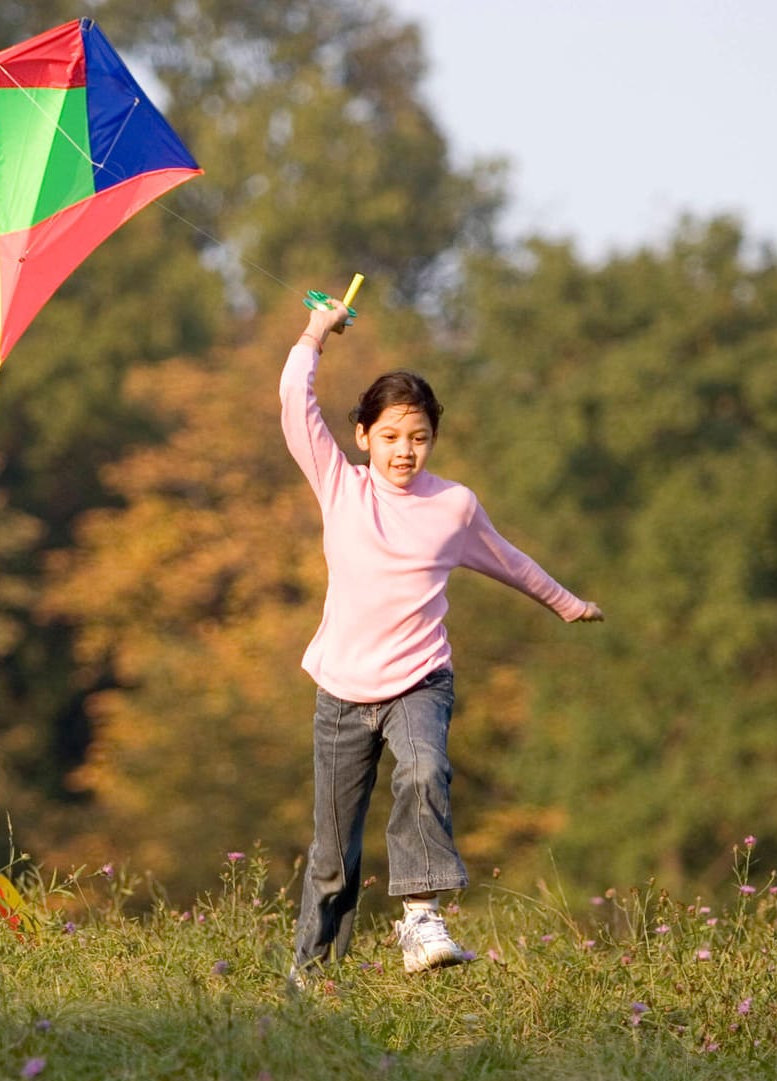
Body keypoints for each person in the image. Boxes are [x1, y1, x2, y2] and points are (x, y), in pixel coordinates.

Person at [280, 296, 603, 980]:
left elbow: (507, 559)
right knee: (332, 857)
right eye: (392, 434)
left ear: (432, 439)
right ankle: (311, 978)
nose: (405, 449)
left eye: (418, 436)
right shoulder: (340, 486)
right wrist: (316, 330)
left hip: (419, 681)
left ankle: (420, 918)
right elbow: (292, 399)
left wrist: (565, 602)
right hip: (340, 691)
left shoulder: (451, 505)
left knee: (424, 769)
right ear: (364, 435)